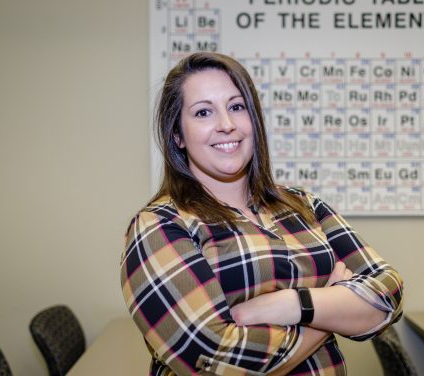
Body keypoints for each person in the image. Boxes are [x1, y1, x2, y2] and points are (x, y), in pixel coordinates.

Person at [120, 52, 404, 376]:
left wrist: (293, 305)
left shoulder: (302, 204)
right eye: (203, 112)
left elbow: (388, 293)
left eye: (237, 107)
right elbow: (217, 364)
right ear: (178, 136)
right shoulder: (160, 226)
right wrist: (331, 309)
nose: (226, 125)